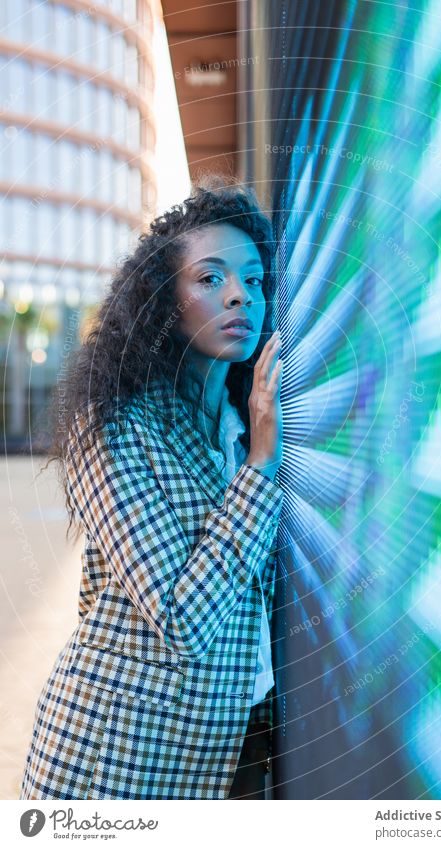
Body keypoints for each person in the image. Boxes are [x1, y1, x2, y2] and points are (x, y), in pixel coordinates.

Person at [19, 176, 284, 800]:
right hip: (113, 765)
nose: (241, 296)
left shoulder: (241, 422)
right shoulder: (113, 427)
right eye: (211, 278)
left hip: (226, 760)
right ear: (164, 299)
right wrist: (260, 465)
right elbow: (180, 617)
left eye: (254, 279)